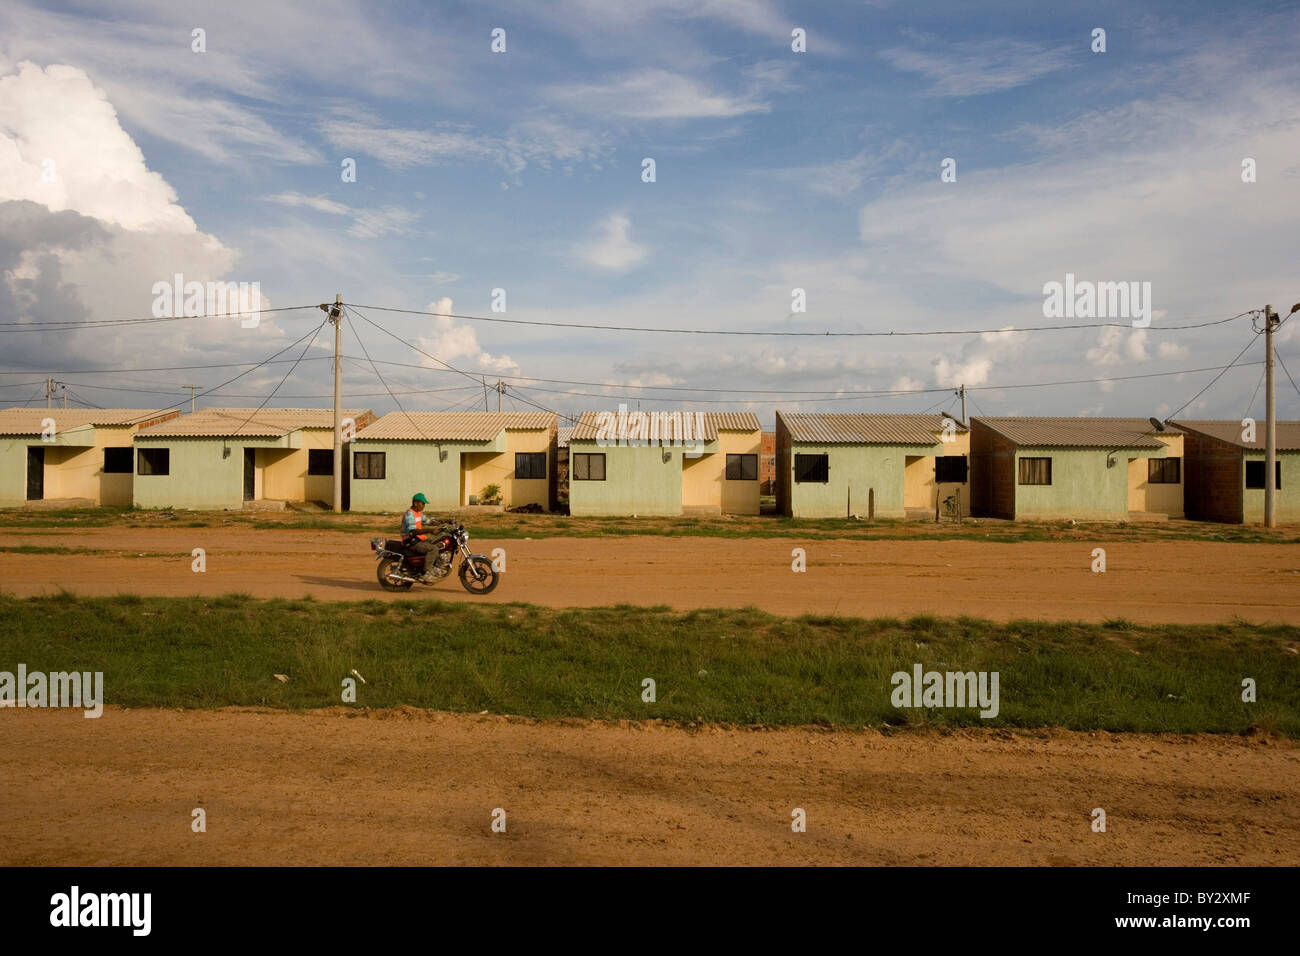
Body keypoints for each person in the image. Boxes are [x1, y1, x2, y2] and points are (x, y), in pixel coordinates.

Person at [401, 493, 440, 581]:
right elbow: (413, 531)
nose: (424, 506)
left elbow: (428, 521)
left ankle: (434, 567)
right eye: (423, 503)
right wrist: (430, 530)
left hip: (417, 539)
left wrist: (445, 522)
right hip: (410, 541)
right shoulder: (410, 514)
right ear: (415, 503)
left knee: (438, 543)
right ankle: (427, 573)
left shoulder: (418, 513)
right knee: (432, 549)